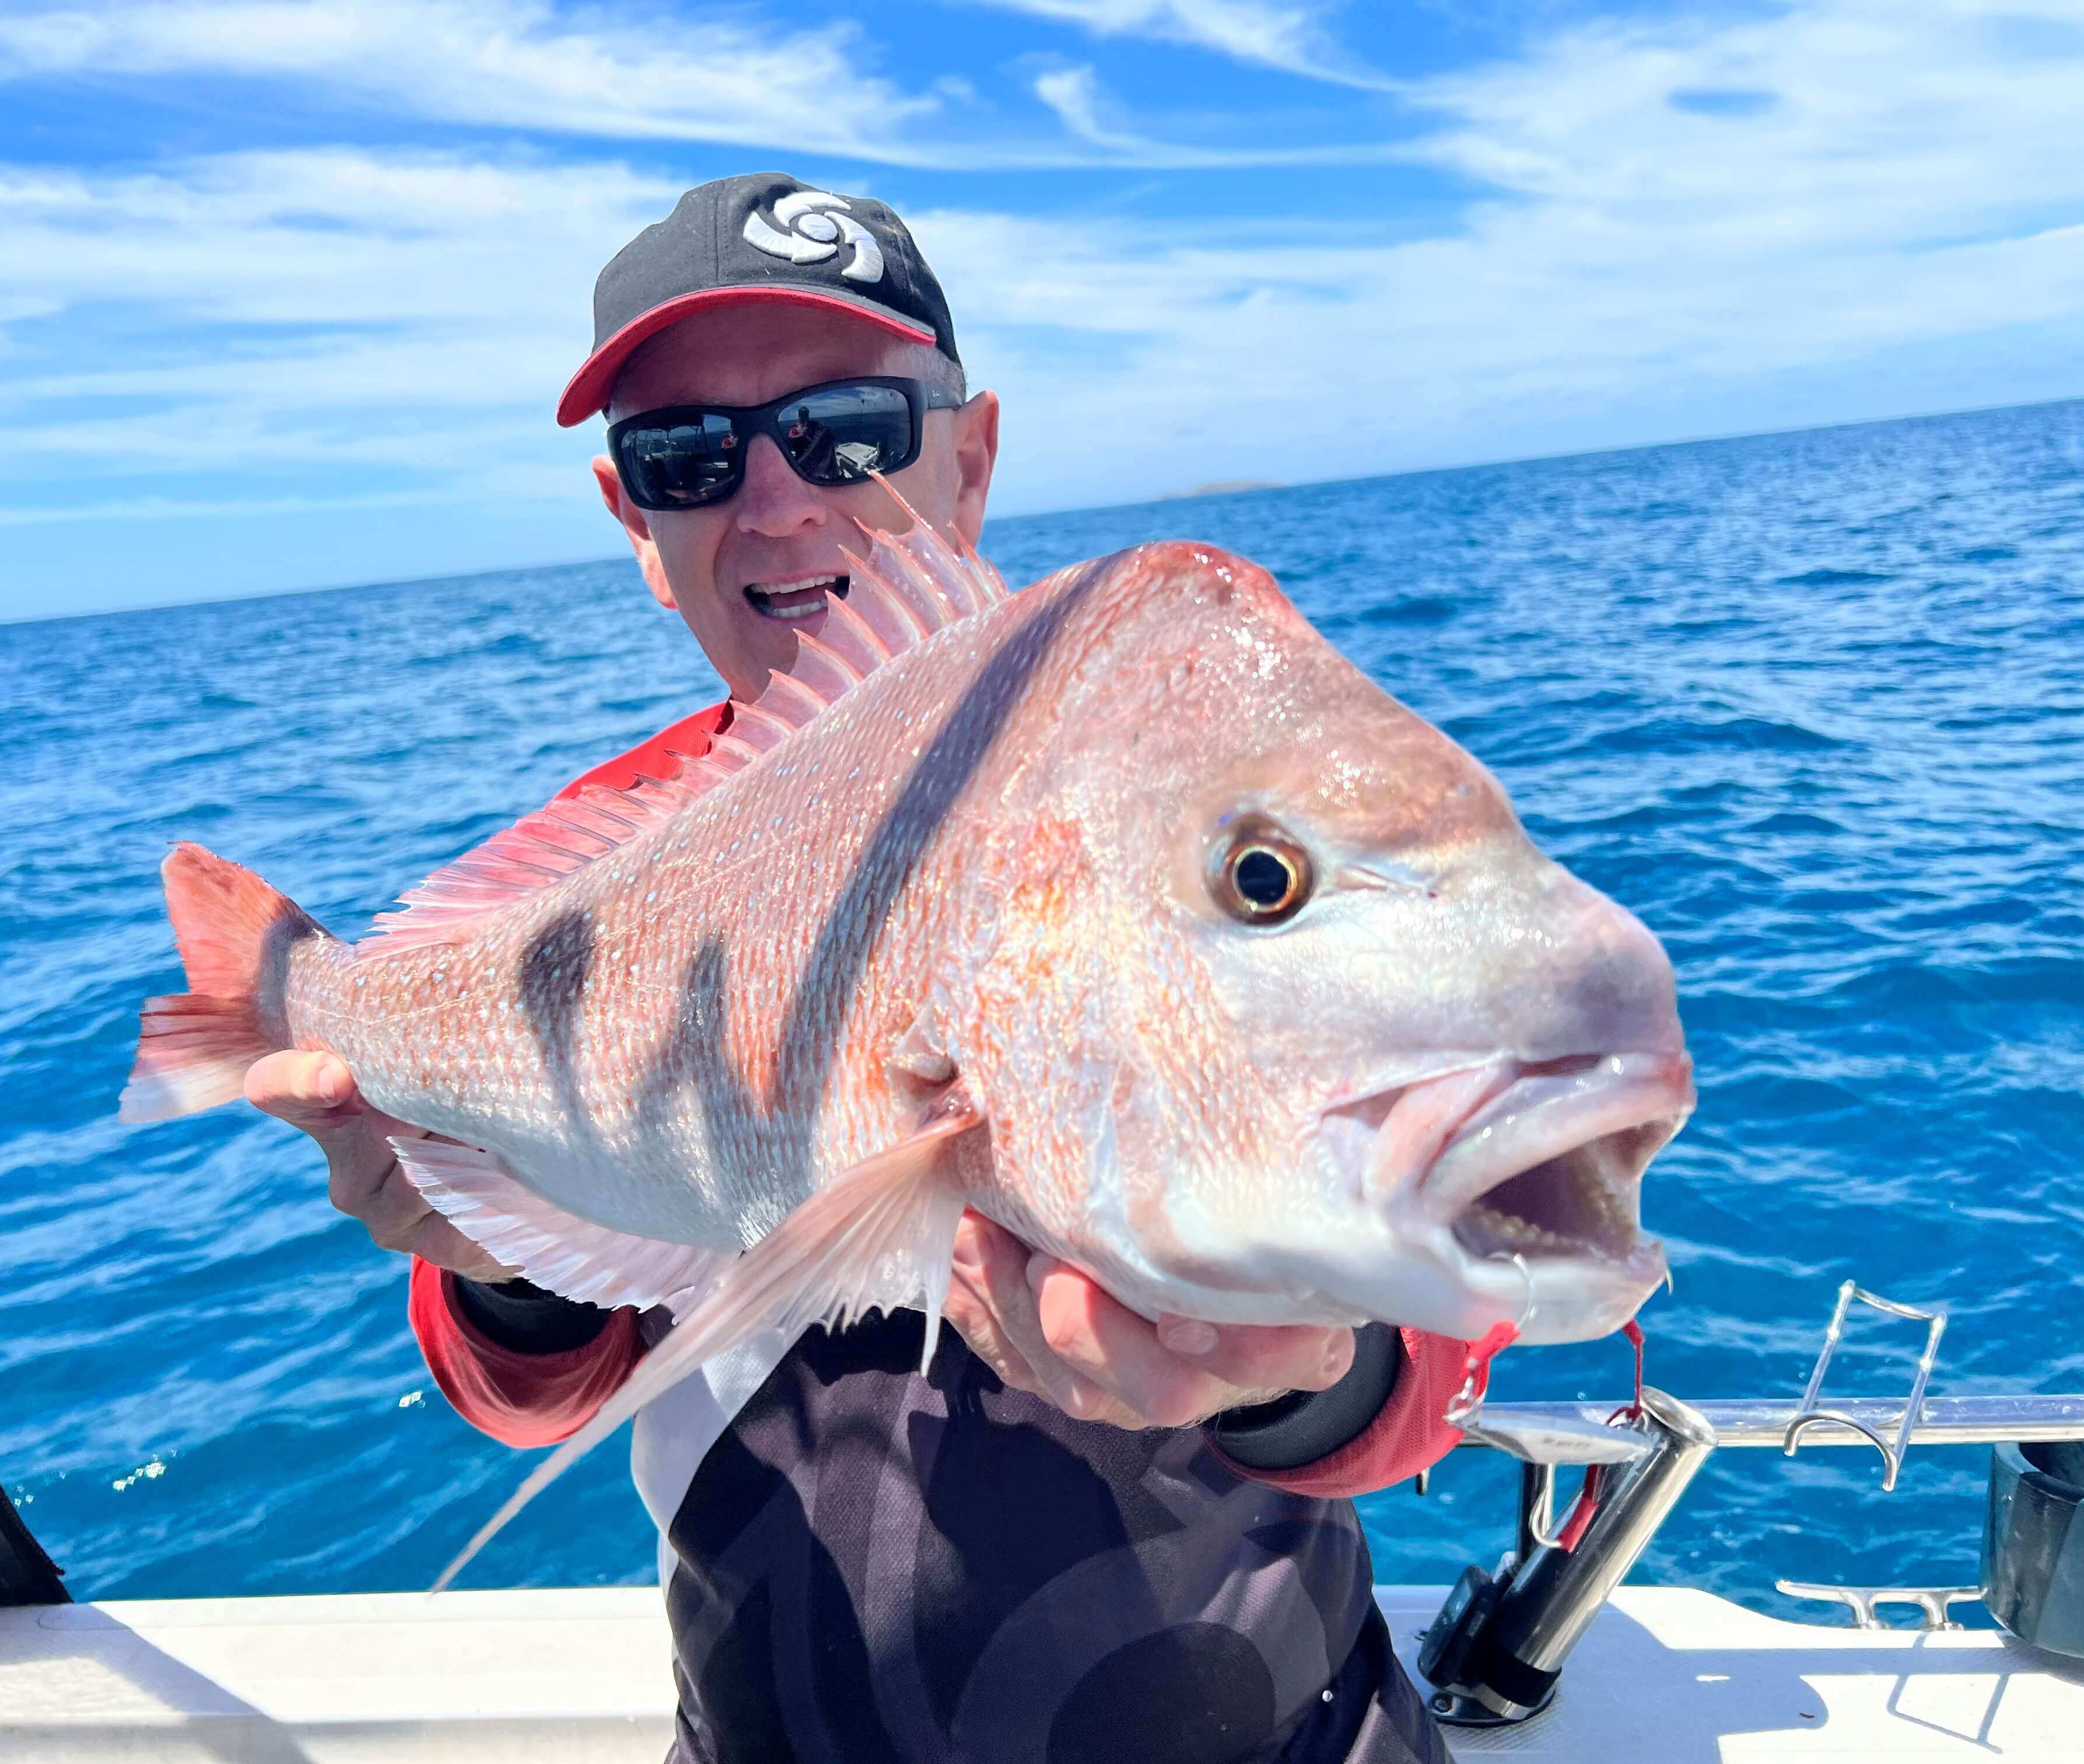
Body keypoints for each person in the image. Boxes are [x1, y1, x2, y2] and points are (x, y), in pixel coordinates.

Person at [246, 172, 1484, 1763]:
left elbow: (1436, 1337)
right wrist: (491, 1250)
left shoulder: (1179, 796)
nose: (775, 505)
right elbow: (530, 1399)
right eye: (686, 455)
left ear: (968, 458)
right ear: (638, 523)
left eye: (848, 431)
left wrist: (1306, 1362)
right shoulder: (587, 879)